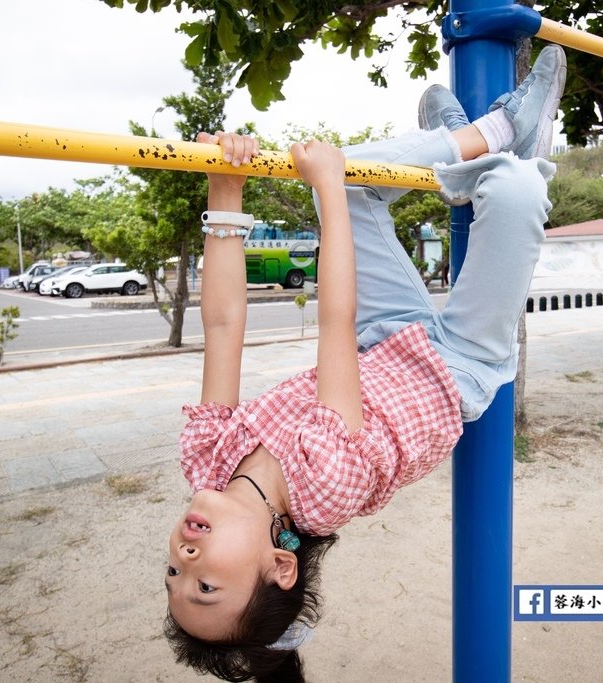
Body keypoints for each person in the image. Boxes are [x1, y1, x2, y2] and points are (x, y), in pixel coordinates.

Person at [166, 45, 567, 682]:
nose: (186, 558)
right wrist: (323, 188)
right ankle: (488, 145)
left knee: (351, 178)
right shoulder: (324, 491)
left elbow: (221, 325)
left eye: (173, 576)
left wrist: (226, 193)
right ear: (281, 566)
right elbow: (333, 320)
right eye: (206, 586)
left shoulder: (206, 458)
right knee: (515, 188)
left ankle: (475, 137)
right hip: (455, 366)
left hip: (382, 342)